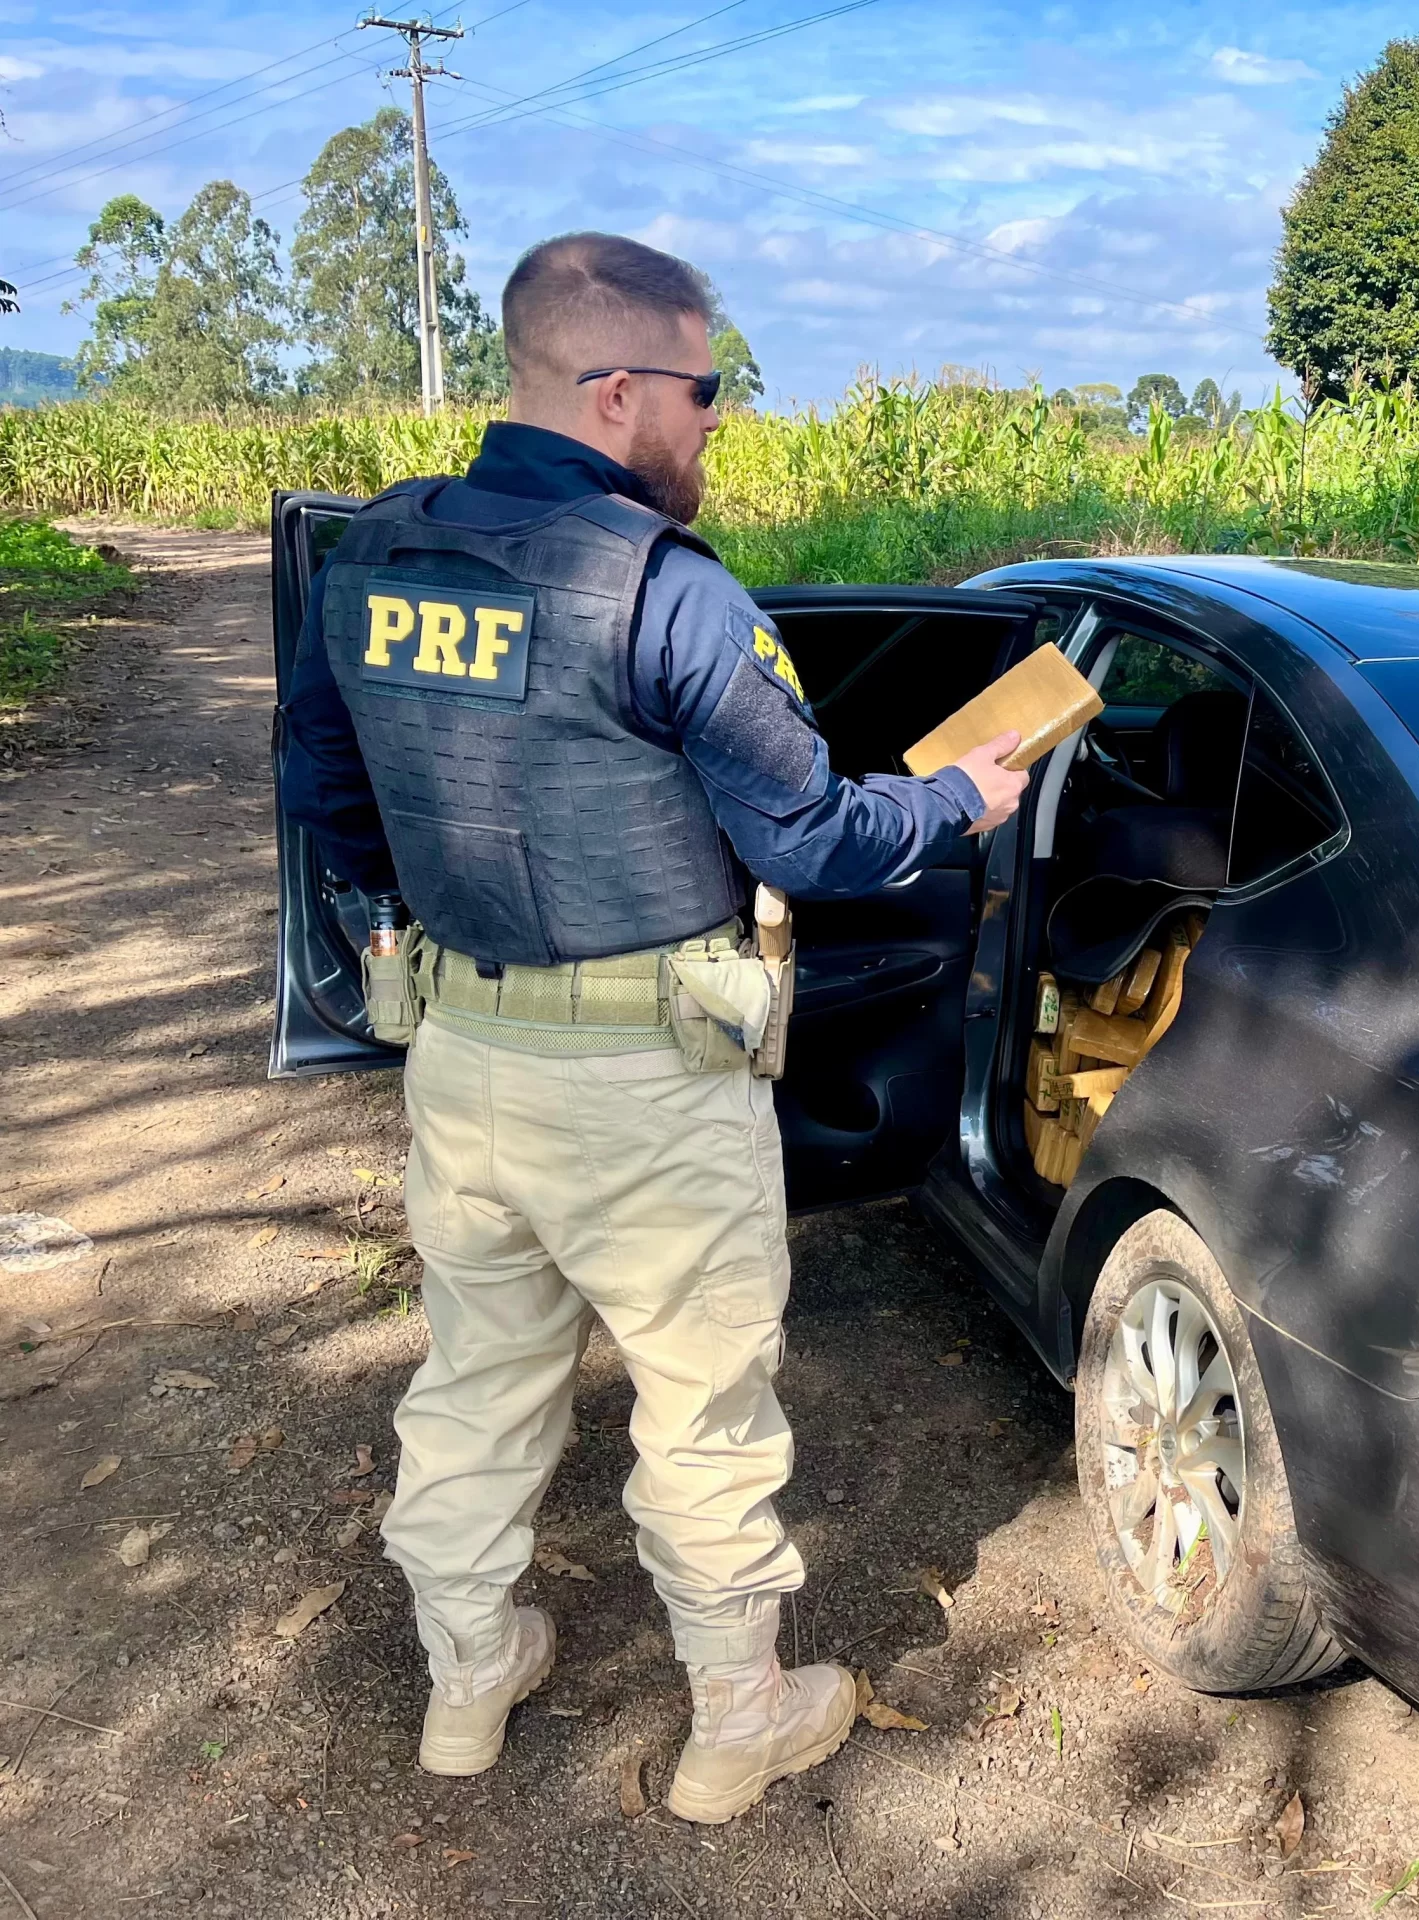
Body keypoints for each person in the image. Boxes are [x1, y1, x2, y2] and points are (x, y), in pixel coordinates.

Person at [277, 231, 1029, 1824]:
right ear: (614, 388)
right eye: (703, 390)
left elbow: (330, 807)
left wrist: (433, 927)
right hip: (648, 1081)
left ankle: (470, 1684)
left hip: (464, 1068)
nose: (713, 423)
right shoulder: (666, 593)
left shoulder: (375, 559)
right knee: (702, 1410)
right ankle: (739, 1722)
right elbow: (813, 842)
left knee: (477, 1384)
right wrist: (962, 798)